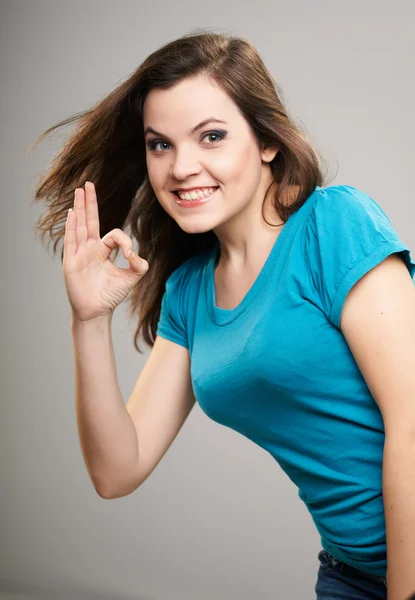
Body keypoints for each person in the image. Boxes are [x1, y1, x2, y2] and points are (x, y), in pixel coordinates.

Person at [28, 30, 415, 600]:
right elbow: (117, 470)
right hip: (350, 573)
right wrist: (87, 320)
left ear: (266, 141)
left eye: (211, 136)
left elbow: (412, 419)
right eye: (160, 144)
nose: (182, 166)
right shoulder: (189, 292)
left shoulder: (333, 226)